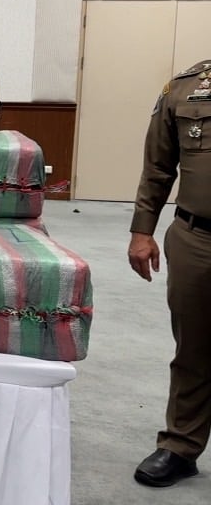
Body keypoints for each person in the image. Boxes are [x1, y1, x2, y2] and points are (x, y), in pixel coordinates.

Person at [128, 57, 211, 488]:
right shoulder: (186, 87)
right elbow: (159, 167)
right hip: (198, 238)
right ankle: (180, 446)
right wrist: (142, 231)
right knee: (194, 348)